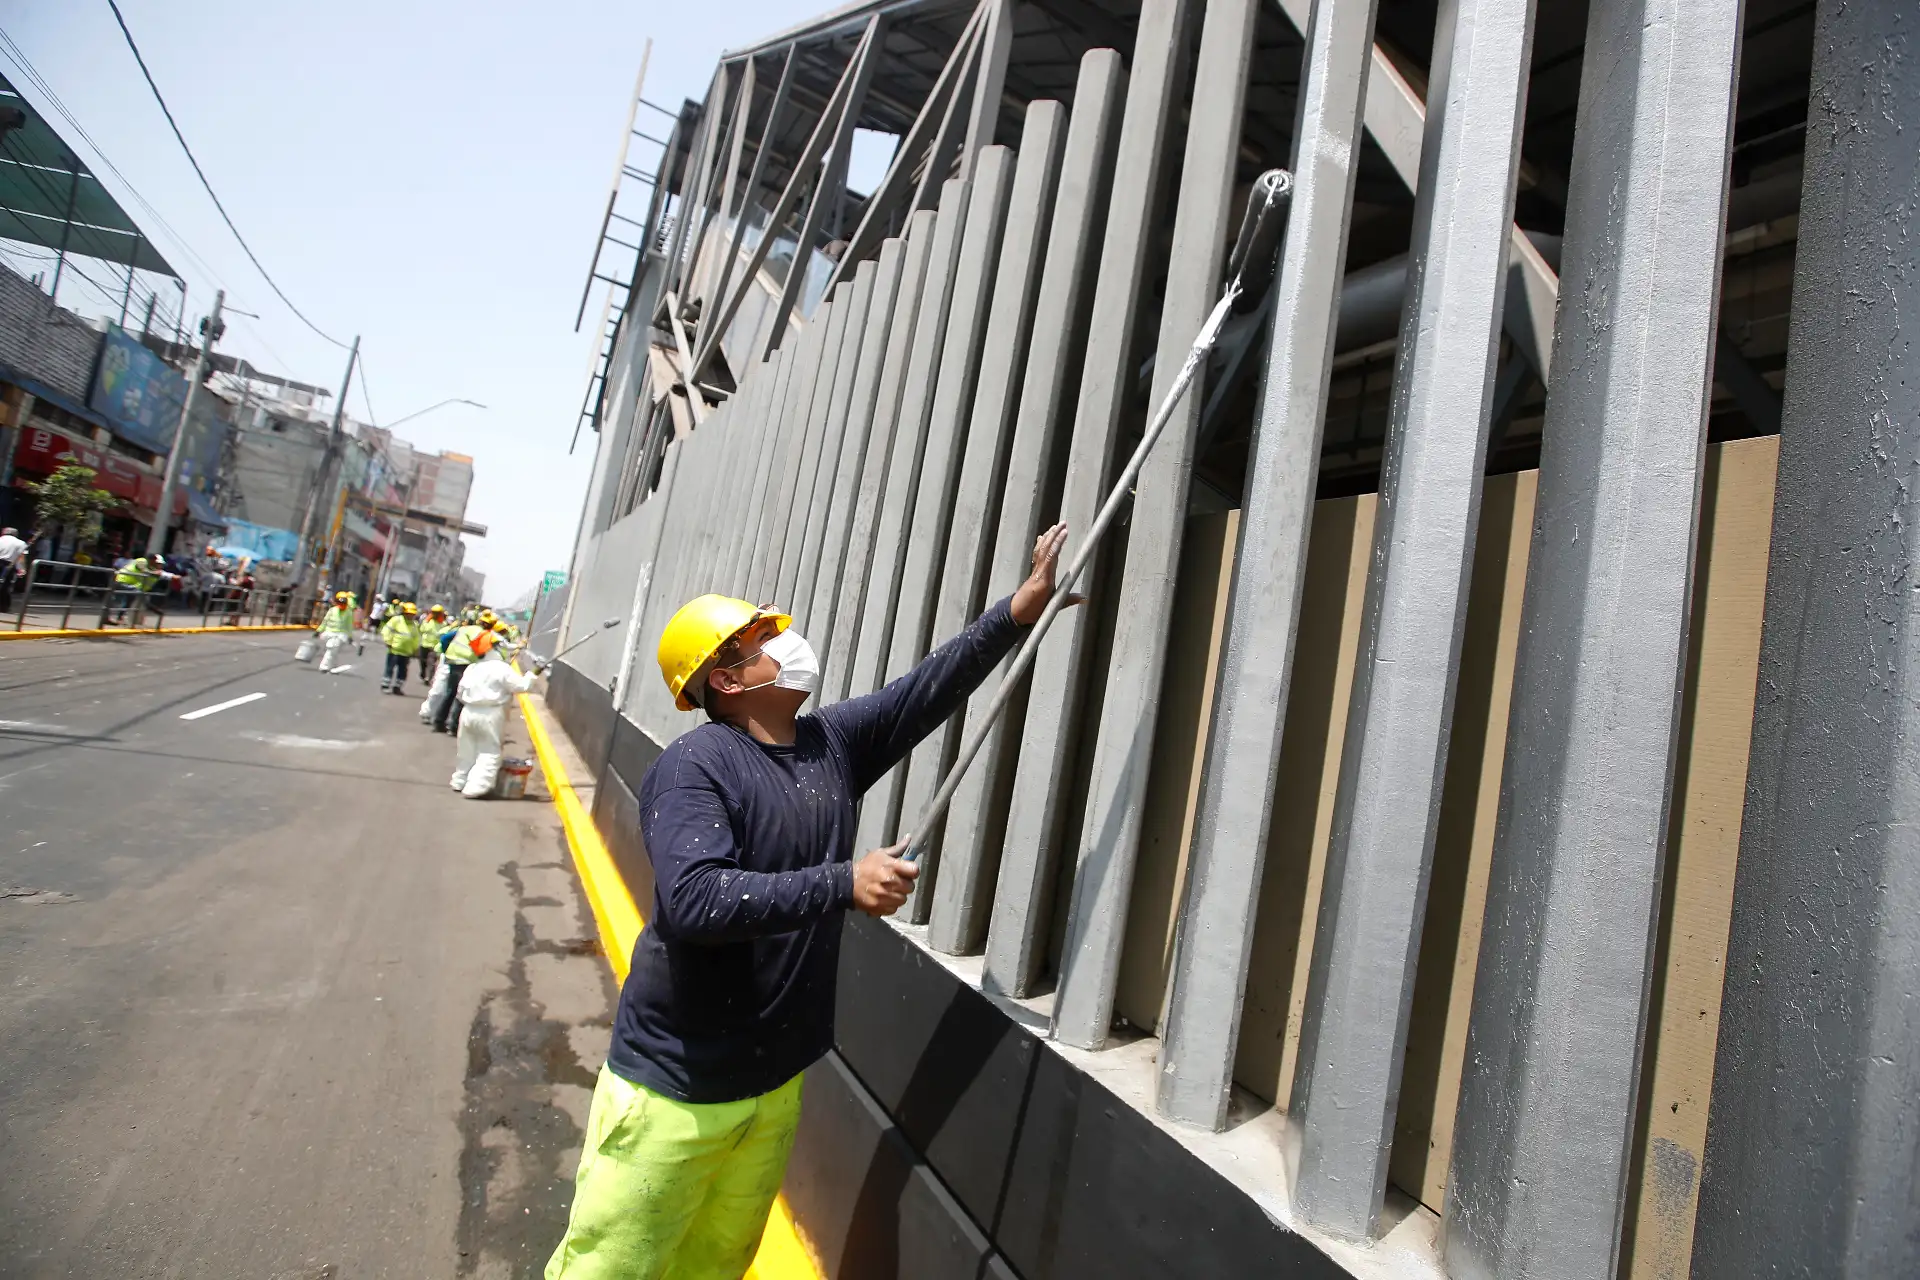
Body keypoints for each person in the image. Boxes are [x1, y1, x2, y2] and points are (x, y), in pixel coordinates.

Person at [543, 524, 1077, 1280]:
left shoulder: (829, 744)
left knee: (716, 1263)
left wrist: (1015, 613)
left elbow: (924, 690)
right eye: (760, 640)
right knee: (614, 1267)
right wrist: (843, 882)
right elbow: (696, 900)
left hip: (772, 1085)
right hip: (674, 1094)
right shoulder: (696, 767)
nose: (784, 644)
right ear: (725, 681)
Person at [449, 627, 542, 797]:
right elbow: (521, 686)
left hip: (468, 711)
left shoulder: (472, 668)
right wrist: (533, 673)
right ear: (493, 647)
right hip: (491, 714)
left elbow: (460, 693)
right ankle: (475, 788)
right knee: (489, 751)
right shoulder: (501, 668)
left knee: (466, 749)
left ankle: (459, 780)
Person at [430, 609, 494, 733]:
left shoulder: (463, 629)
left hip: (453, 662)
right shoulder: (484, 634)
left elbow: (444, 639)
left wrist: (446, 652)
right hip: (467, 665)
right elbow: (483, 652)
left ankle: (438, 721)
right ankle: (453, 726)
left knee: (450, 693)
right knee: (463, 694)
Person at [107, 553, 161, 624]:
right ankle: (150, 606)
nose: (155, 562)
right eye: (155, 560)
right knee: (136, 593)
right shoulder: (142, 561)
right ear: (151, 559)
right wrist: (154, 573)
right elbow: (143, 570)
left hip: (130, 583)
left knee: (130, 599)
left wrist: (157, 572)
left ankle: (120, 617)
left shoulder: (149, 565)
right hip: (122, 580)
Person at [380, 602, 421, 694]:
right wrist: (388, 641)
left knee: (403, 671)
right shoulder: (396, 620)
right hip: (394, 650)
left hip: (406, 653)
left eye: (412, 614)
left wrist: (415, 649)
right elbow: (387, 630)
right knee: (390, 668)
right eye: (409, 613)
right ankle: (385, 685)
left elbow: (416, 638)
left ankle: (397, 687)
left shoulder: (414, 625)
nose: (410, 616)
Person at [314, 590, 356, 673]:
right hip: (329, 633)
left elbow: (349, 626)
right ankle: (324, 666)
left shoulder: (348, 613)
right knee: (331, 649)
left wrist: (350, 637)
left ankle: (331, 665)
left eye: (344, 603)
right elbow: (325, 621)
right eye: (340, 603)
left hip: (340, 635)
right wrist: (318, 631)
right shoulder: (332, 610)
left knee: (333, 650)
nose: (342, 605)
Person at [417, 605, 448, 683]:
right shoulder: (427, 621)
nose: (435, 614)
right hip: (424, 644)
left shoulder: (443, 624)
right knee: (422, 661)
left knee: (431, 663)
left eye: (437, 613)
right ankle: (423, 673)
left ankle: (428, 677)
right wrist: (427, 620)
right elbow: (421, 630)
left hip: (434, 647)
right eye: (434, 612)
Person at [0, 526, 26, 615]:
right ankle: (3, 606)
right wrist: (21, 569)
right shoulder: (21, 543)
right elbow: (20, 558)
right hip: (9, 565)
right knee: (5, 586)